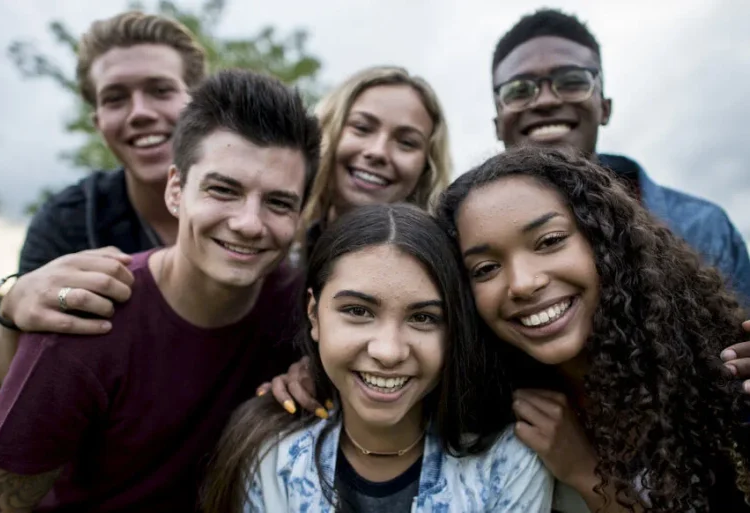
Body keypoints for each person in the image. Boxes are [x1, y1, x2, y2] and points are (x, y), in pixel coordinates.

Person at [0, 69, 320, 512]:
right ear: (176, 190)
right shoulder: (87, 316)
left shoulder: (303, 310)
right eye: (223, 190)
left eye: (278, 202)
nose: (249, 223)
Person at [437, 147, 750, 512]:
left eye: (550, 241)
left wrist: (586, 473)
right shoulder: (483, 416)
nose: (522, 283)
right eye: (485, 268)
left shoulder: (721, 379)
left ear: (605, 241)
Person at [201, 203, 553, 512]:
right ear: (314, 315)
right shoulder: (270, 453)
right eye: (358, 311)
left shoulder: (506, 463)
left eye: (423, 318)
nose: (388, 352)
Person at [0, 11, 206, 399]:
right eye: (116, 98)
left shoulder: (256, 207)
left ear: (199, 103)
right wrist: (13, 306)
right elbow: (6, 387)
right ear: (98, 121)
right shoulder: (67, 221)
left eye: (160, 90)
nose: (140, 112)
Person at [490, 9, 750, 305]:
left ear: (604, 107)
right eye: (518, 90)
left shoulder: (703, 228)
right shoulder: (461, 241)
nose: (547, 100)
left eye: (572, 81)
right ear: (498, 122)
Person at [300, 66, 452, 259]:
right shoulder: (279, 254)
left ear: (426, 168)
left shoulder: (441, 272)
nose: (378, 152)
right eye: (362, 128)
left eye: (406, 142)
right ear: (327, 133)